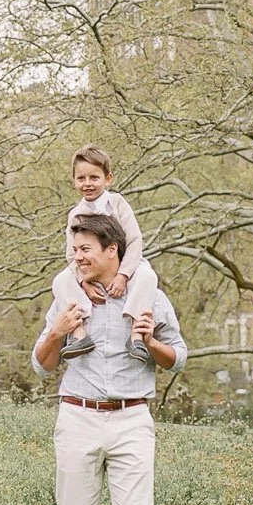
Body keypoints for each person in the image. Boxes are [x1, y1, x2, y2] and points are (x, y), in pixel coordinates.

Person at [32, 211, 187, 505]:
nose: (77, 257)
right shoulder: (66, 297)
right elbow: (41, 365)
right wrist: (58, 334)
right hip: (77, 416)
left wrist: (149, 341)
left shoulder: (148, 296)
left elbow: (177, 358)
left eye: (85, 250)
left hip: (132, 418)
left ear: (111, 252)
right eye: (75, 249)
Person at [54, 145, 159, 362]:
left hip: (124, 264)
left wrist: (123, 275)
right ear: (74, 180)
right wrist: (84, 281)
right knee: (61, 280)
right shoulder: (75, 215)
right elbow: (72, 254)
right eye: (81, 178)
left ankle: (136, 334)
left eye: (94, 177)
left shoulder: (118, 204)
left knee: (148, 276)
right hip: (90, 270)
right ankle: (79, 334)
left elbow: (134, 240)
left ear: (107, 178)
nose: (87, 184)